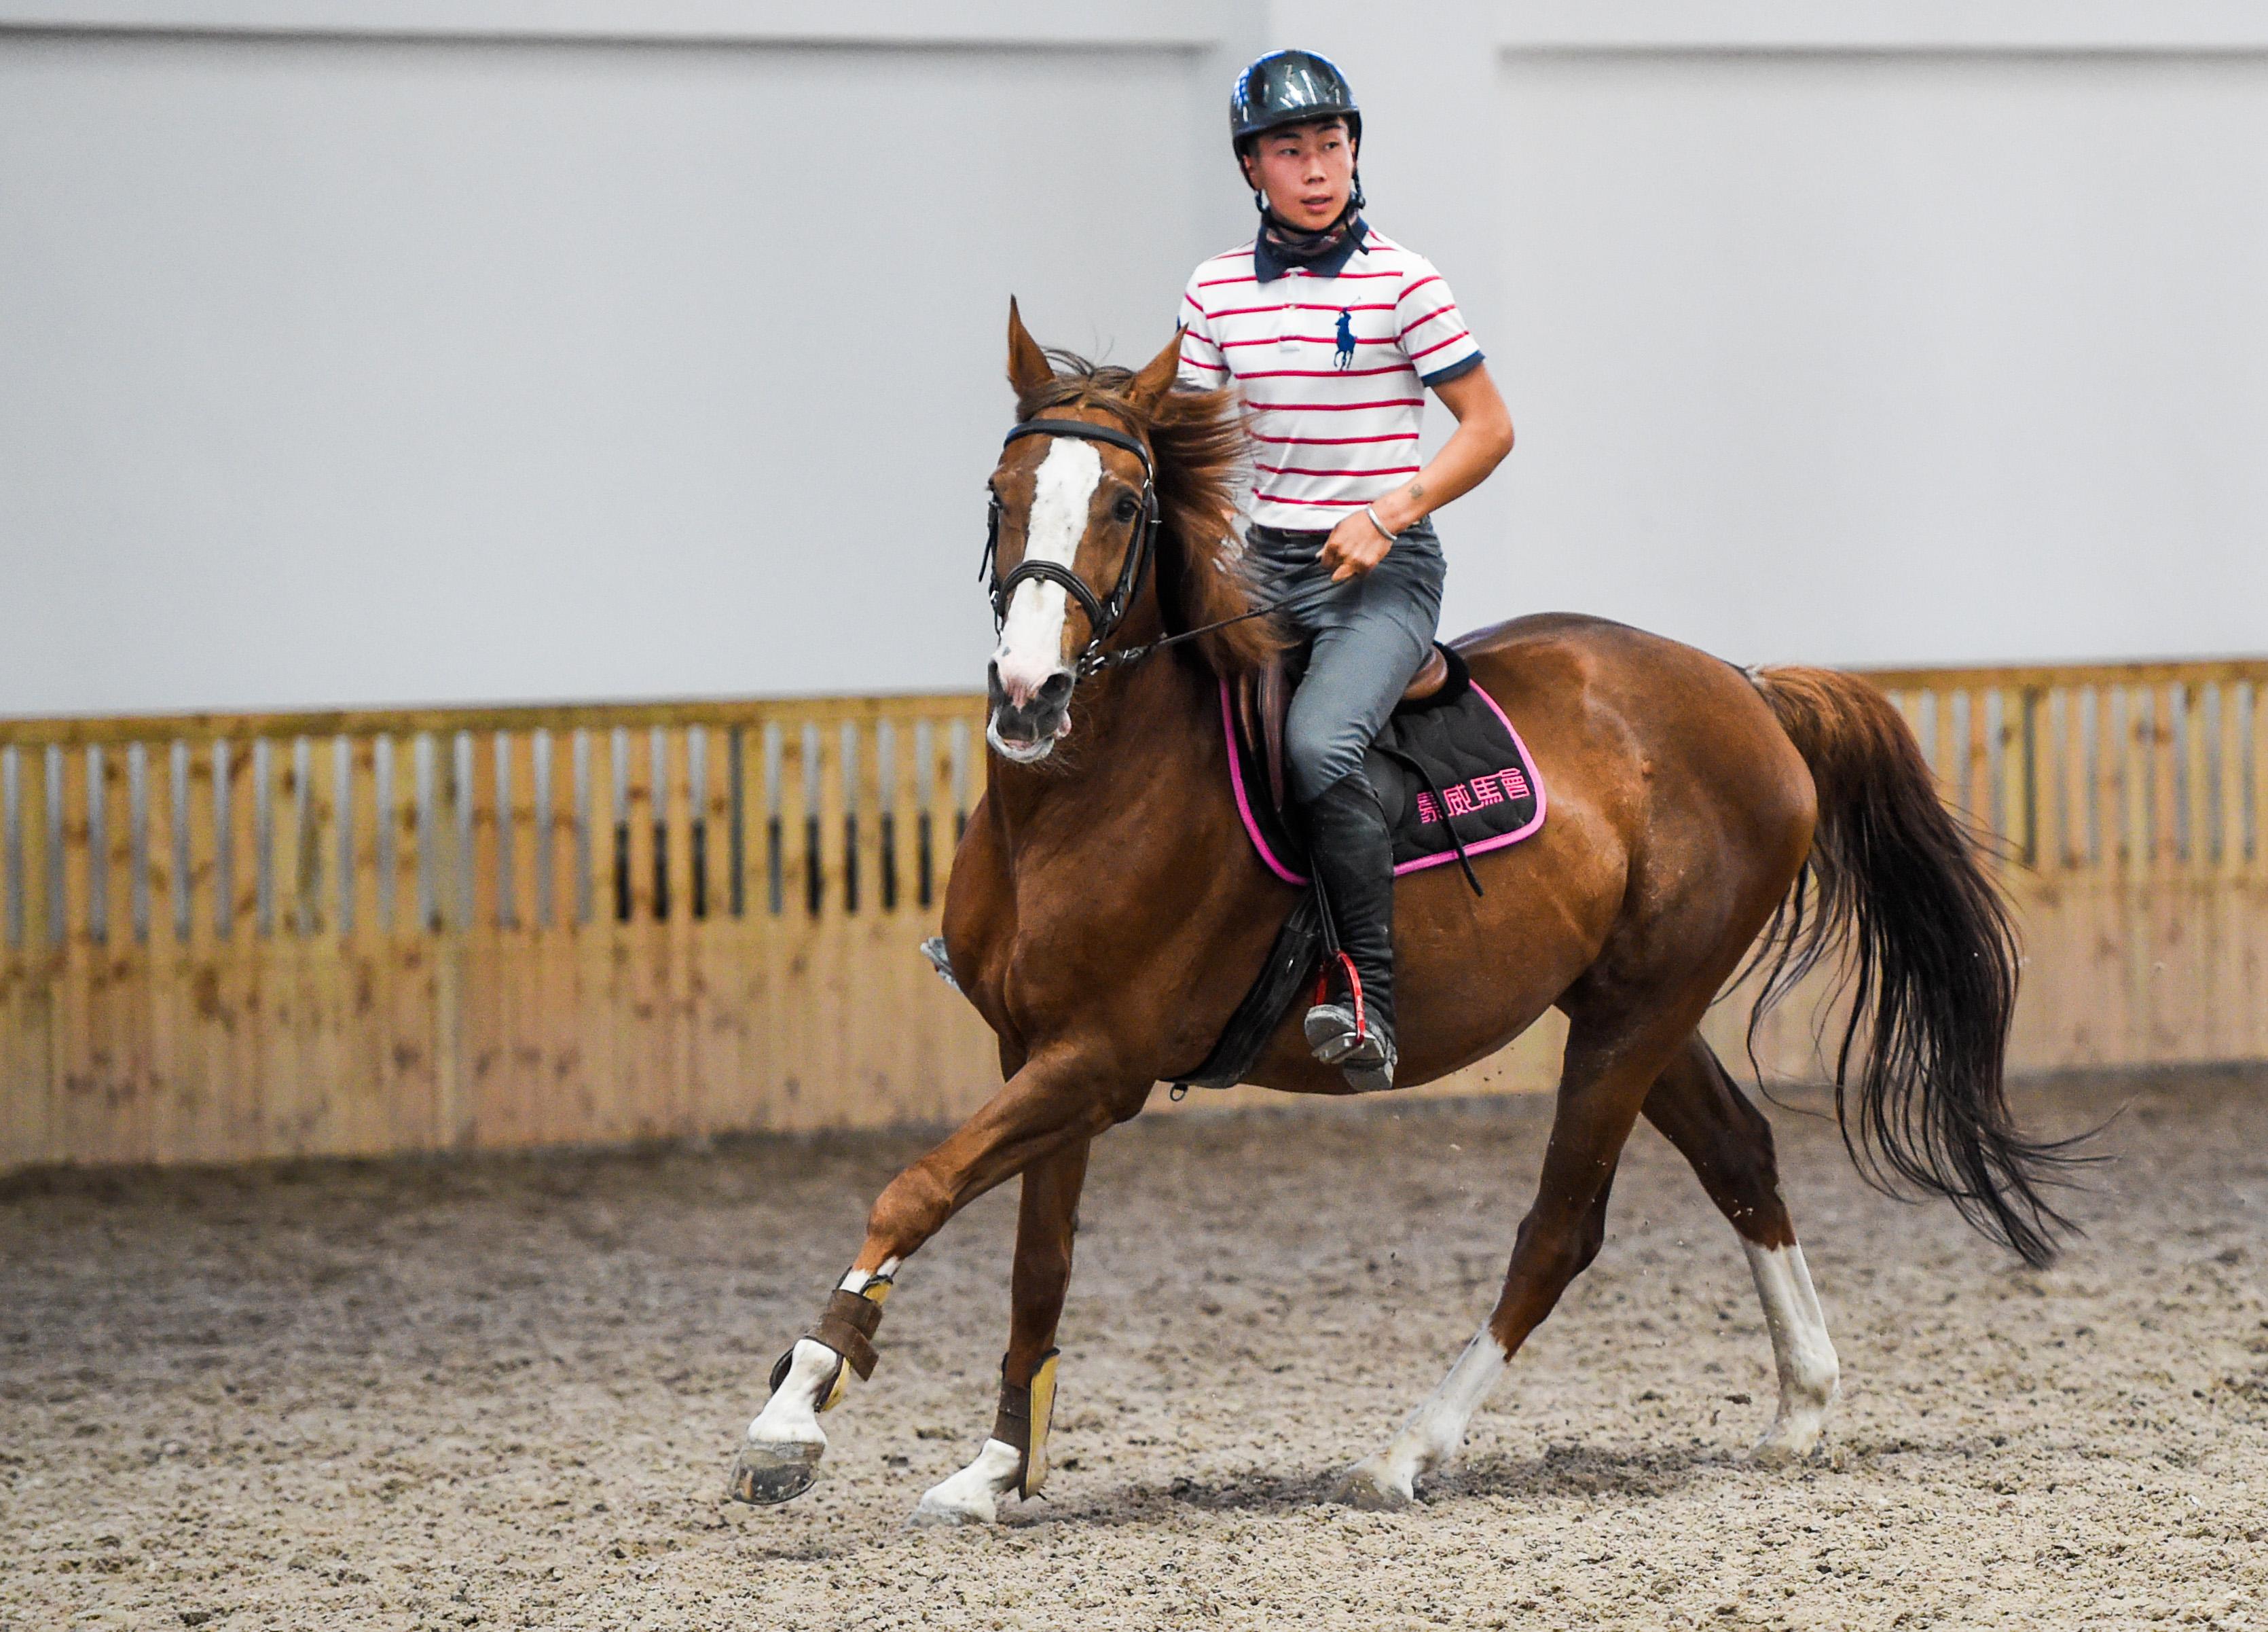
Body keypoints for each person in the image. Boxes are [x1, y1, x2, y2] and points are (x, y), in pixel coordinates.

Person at [1177, 48, 1515, 1091]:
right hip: (1265, 568)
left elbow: (1490, 429)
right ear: (1253, 169)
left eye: (1331, 144)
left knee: (1320, 744)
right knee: (1134, 704)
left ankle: (1366, 989)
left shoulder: (1404, 281)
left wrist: (1391, 508)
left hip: (1384, 570)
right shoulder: (1214, 290)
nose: (1317, 167)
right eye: (1291, 149)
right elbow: (1194, 448)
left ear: (1354, 151)